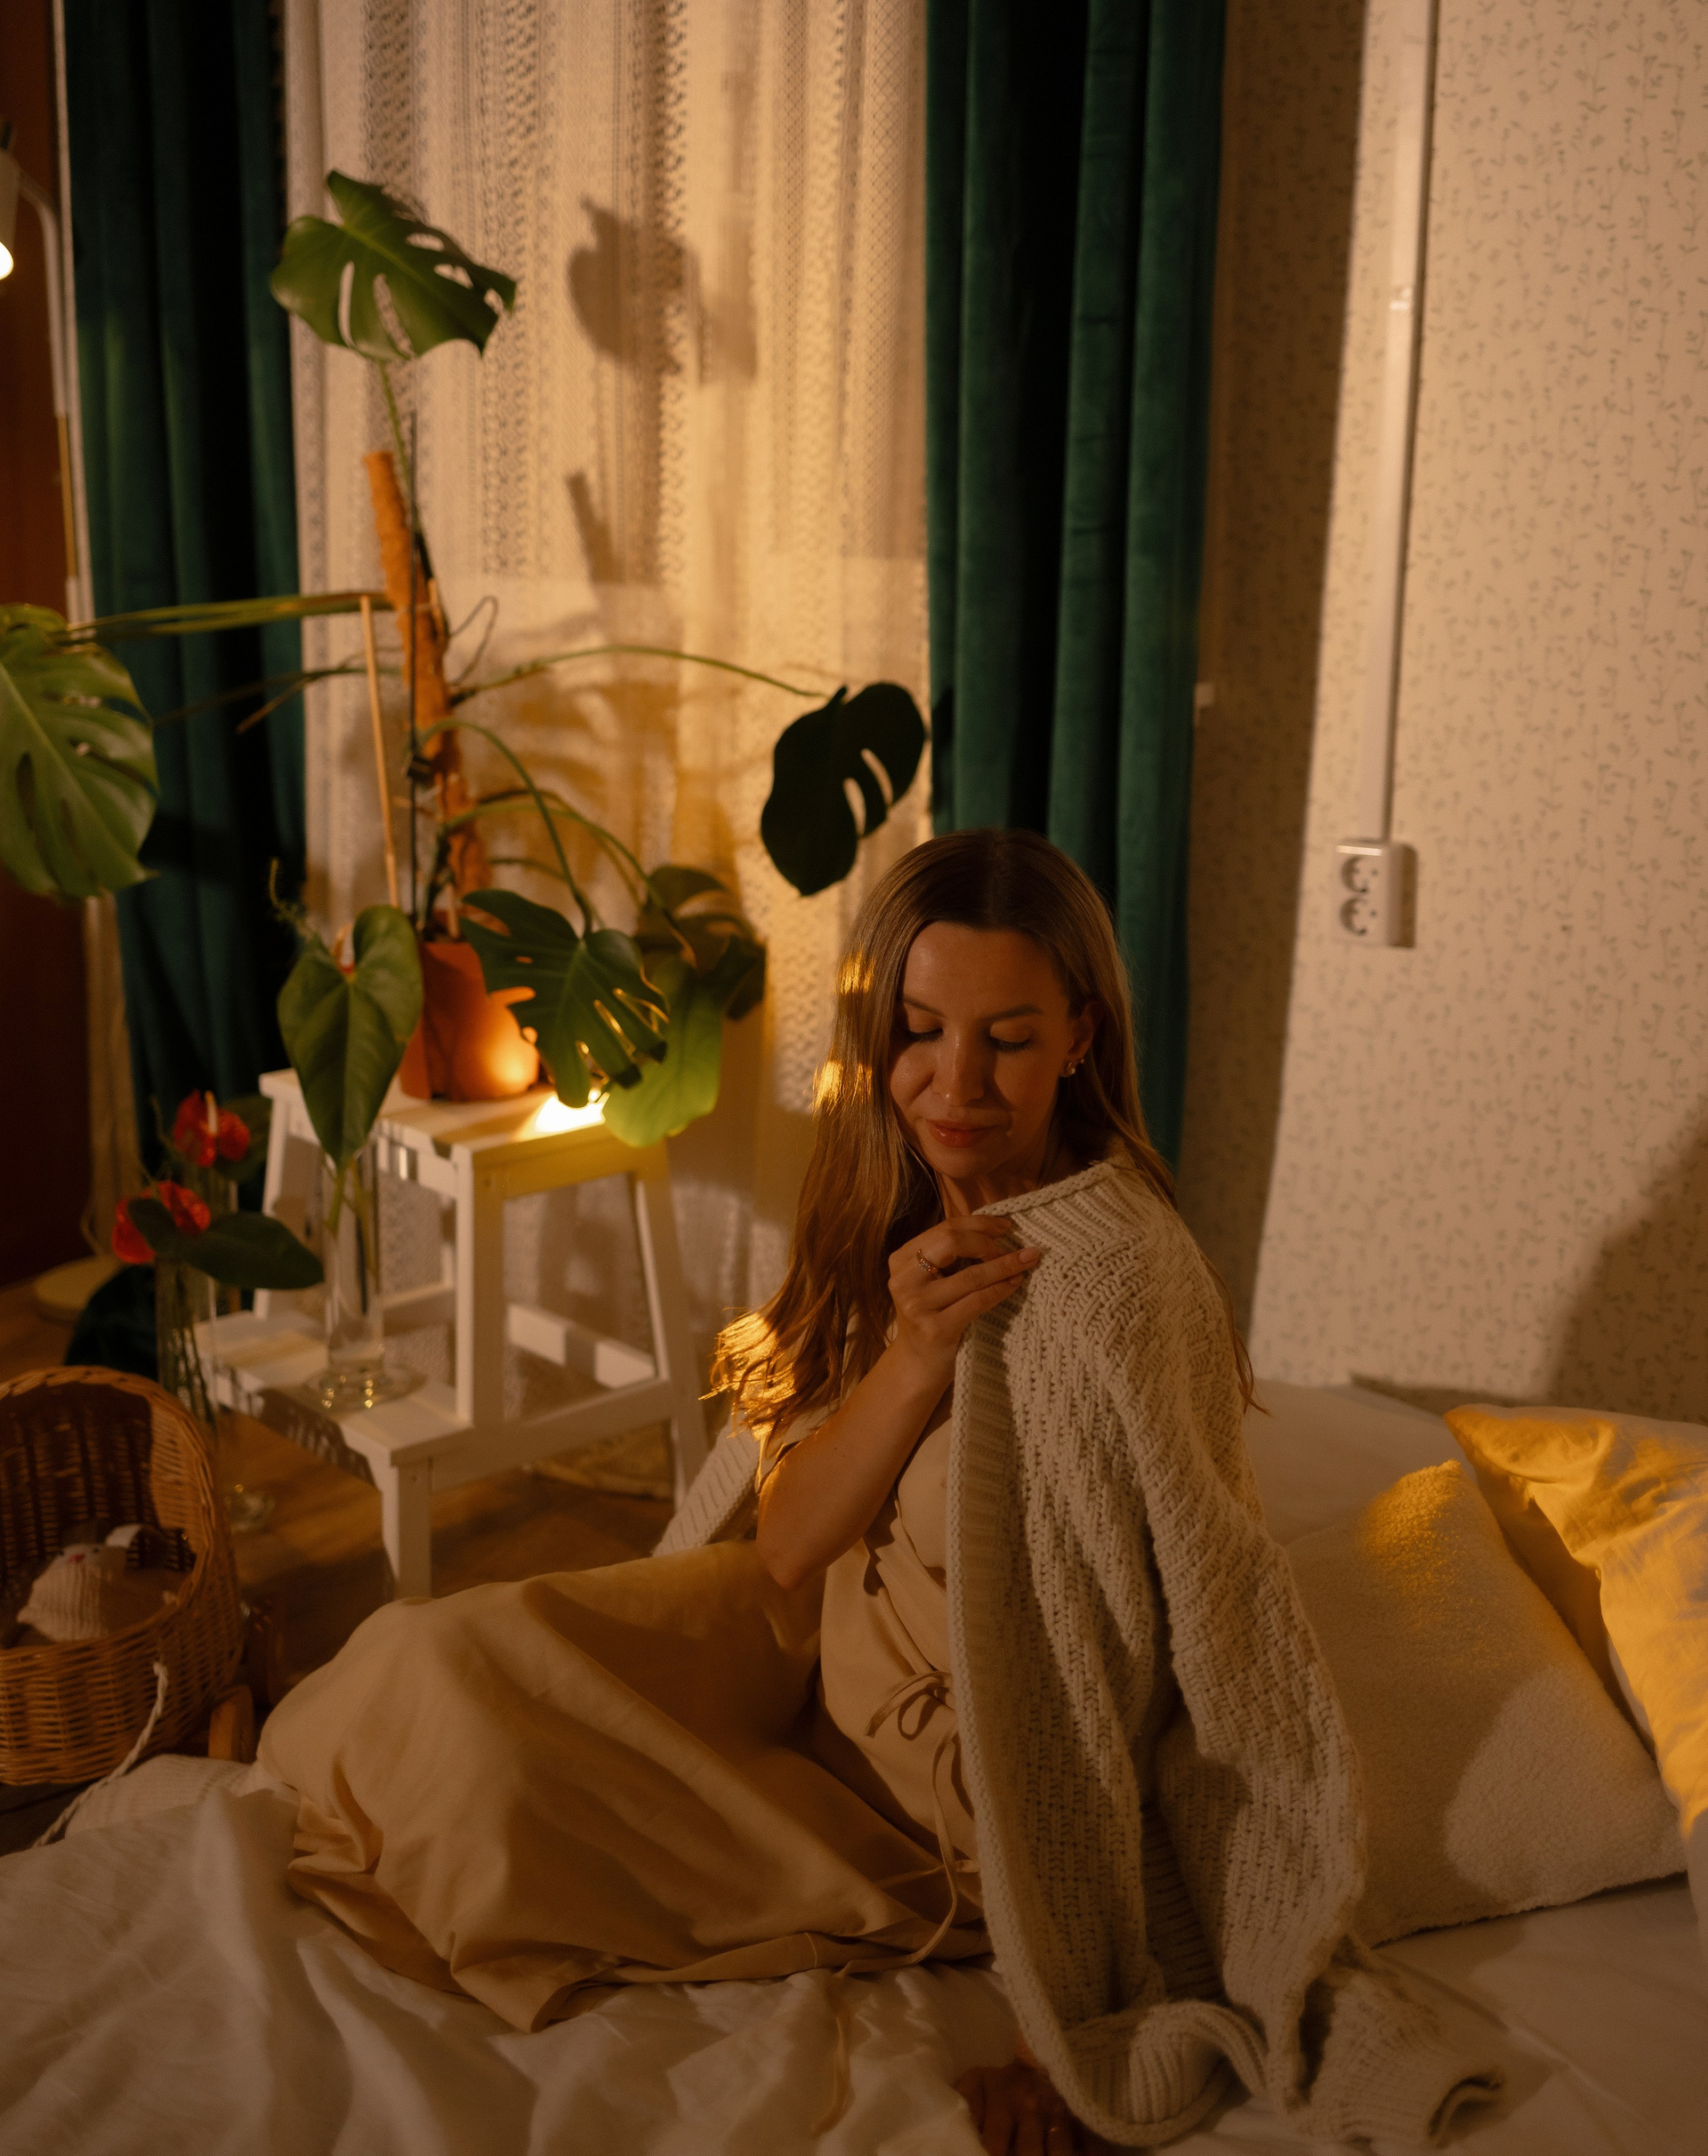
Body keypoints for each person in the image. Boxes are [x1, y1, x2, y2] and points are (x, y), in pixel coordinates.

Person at [260, 830, 1493, 2152]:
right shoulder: (894, 1184)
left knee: (483, 1835)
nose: (955, 1085)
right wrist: (911, 1357)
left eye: (1007, 1040)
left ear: (1079, 1037)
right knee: (435, 1662)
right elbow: (787, 1545)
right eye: (919, 1031)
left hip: (936, 1799)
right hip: (801, 1660)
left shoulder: (1116, 1283)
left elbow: (1120, 1669)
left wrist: (1057, 2024)